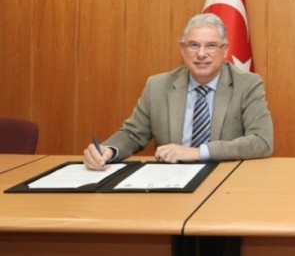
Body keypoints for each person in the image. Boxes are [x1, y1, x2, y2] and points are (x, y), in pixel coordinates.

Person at [84, 13, 273, 170]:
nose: (201, 54)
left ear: (224, 50)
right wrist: (109, 150)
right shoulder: (157, 86)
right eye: (193, 45)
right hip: (172, 181)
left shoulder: (247, 84)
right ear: (182, 49)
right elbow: (132, 134)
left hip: (224, 179)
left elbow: (262, 141)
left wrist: (199, 152)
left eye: (211, 46)